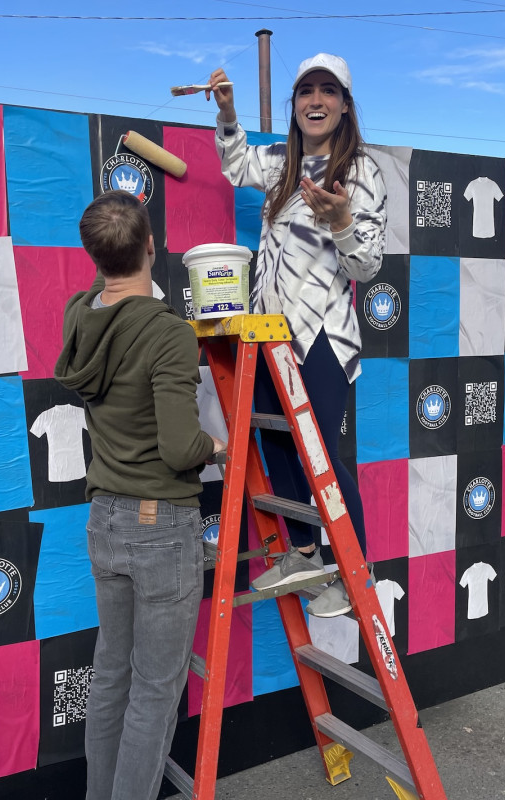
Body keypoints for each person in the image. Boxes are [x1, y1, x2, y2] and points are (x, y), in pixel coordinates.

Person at [55, 190, 226, 800]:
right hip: (159, 528)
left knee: (111, 680)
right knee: (154, 693)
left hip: (105, 520)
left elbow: (105, 292)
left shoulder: (80, 315)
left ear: (94, 257)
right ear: (152, 246)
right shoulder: (168, 333)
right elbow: (181, 449)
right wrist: (218, 446)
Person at [208, 53, 387, 617]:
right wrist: (229, 113)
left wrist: (341, 221)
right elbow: (237, 164)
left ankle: (356, 574)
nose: (316, 100)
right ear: (294, 105)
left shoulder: (362, 171)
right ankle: (304, 551)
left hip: (324, 336)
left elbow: (367, 267)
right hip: (269, 333)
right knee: (278, 443)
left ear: (345, 106)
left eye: (329, 91)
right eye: (307, 90)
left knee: (322, 456)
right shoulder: (281, 162)